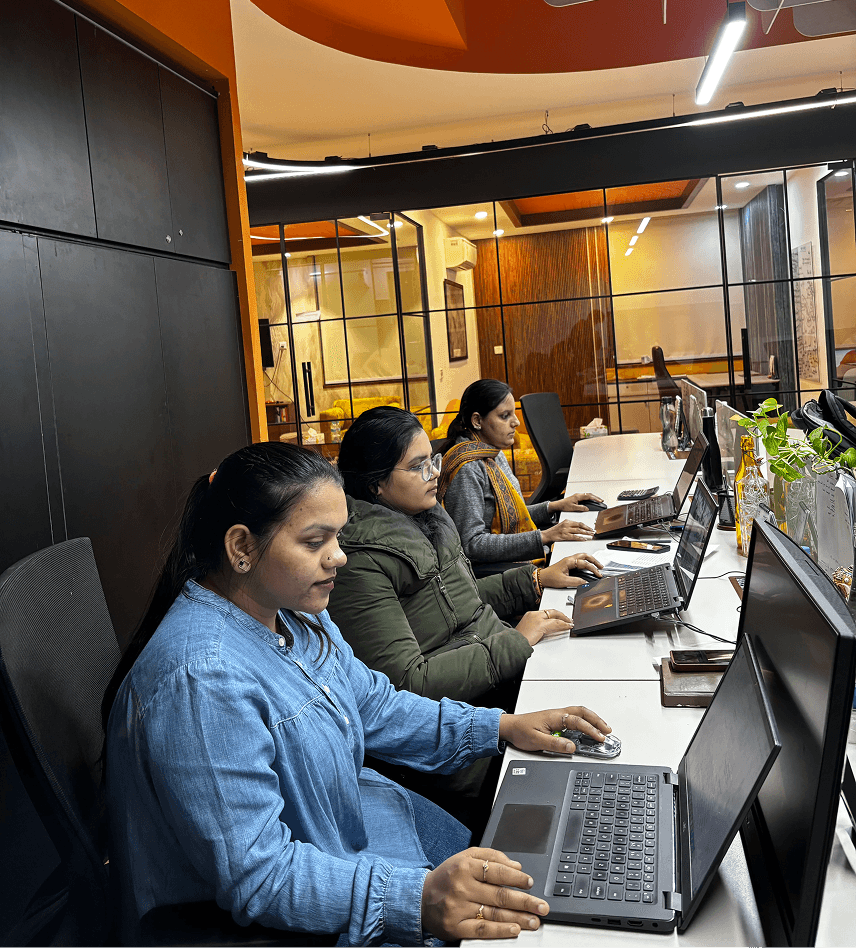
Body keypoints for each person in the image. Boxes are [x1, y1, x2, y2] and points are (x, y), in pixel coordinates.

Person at [103, 441, 611, 947]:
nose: (339, 557)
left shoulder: (295, 610)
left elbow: (374, 706)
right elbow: (259, 875)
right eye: (314, 542)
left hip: (348, 834)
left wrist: (498, 727)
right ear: (241, 548)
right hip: (260, 920)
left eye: (339, 536)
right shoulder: (202, 679)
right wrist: (418, 900)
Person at [329, 407, 604, 822]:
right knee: (591, 785)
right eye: (418, 467)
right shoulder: (359, 563)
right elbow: (407, 686)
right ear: (377, 485)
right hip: (464, 733)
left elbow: (465, 601)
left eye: (433, 461)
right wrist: (514, 641)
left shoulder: (427, 517)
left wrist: (533, 580)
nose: (434, 474)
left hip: (500, 685)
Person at [438, 380, 604, 571]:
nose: (516, 422)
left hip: (507, 561)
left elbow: (508, 514)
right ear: (477, 421)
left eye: (513, 413)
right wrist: (545, 536)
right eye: (504, 416)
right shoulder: (467, 468)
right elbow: (472, 545)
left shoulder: (491, 452)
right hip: (491, 572)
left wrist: (554, 507)